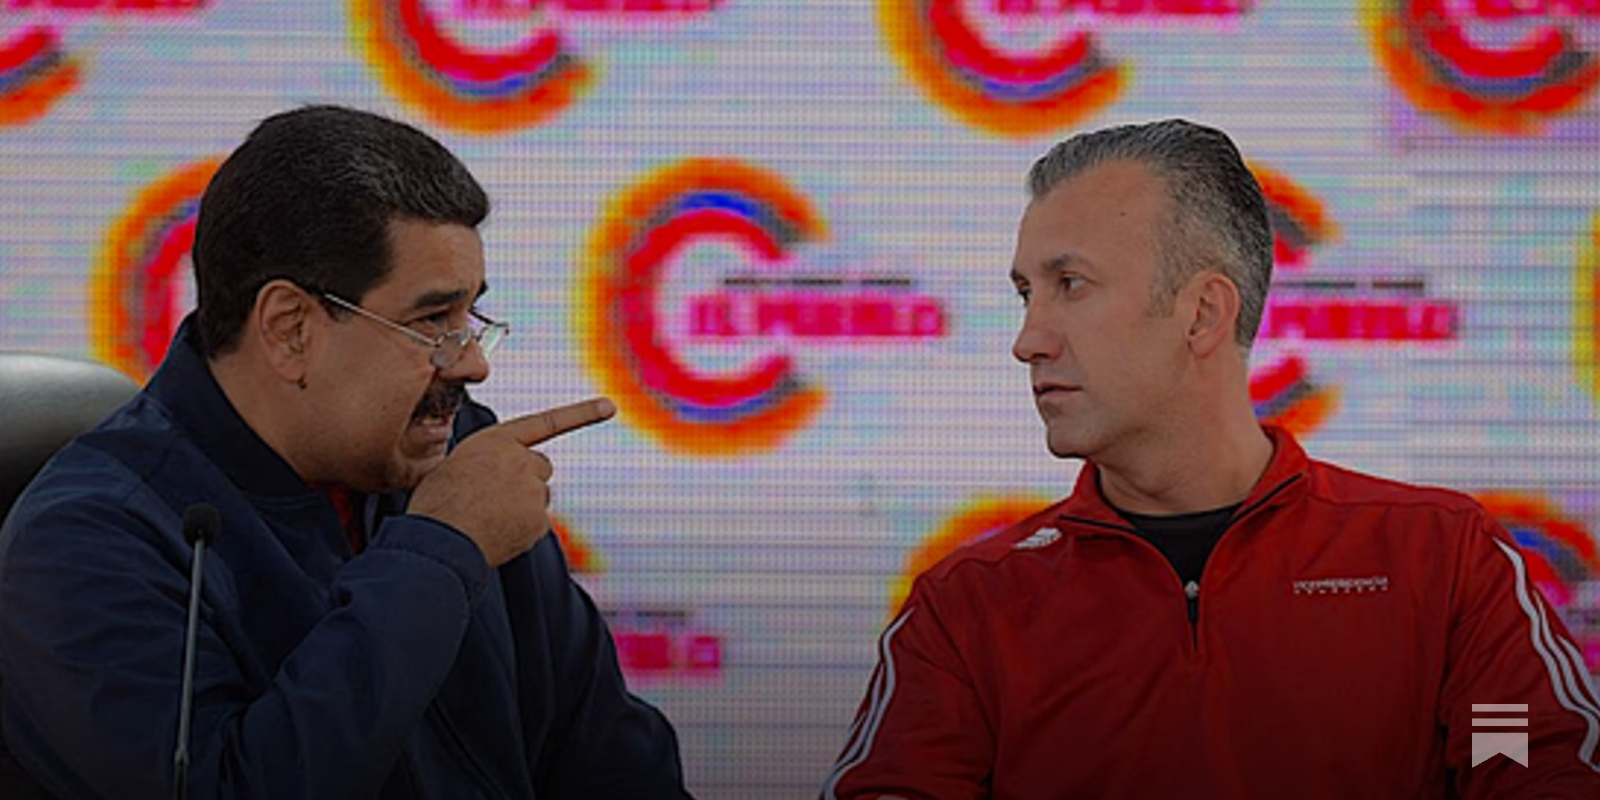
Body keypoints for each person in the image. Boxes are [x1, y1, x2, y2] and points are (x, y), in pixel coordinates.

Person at [821, 119, 1600, 798]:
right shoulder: (969, 608)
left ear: (1202, 313)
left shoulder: (1441, 559)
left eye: (1070, 285)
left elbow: (1524, 762)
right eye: (1028, 292)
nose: (1028, 340)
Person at [0, 105, 692, 799]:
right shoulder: (83, 542)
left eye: (471, 317)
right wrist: (438, 553)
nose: (473, 364)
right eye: (433, 320)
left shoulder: (461, 456)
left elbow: (612, 762)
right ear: (290, 329)